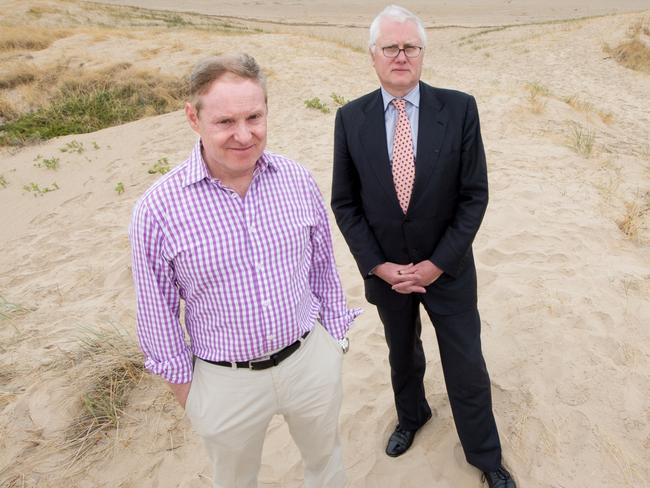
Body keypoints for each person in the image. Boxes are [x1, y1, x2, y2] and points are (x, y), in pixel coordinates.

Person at [130, 53, 359, 488]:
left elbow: (323, 266)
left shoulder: (296, 179)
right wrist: (190, 395)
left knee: (325, 462)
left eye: (254, 116)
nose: (243, 134)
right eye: (225, 122)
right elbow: (156, 313)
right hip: (223, 380)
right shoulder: (157, 210)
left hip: (309, 360)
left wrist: (333, 340)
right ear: (194, 119)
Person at [331, 5, 516, 487]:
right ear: (372, 56)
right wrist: (377, 265)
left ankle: (485, 456)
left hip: (448, 270)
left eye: (409, 47)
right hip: (388, 274)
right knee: (401, 352)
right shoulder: (349, 119)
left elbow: (475, 196)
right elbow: (345, 202)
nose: (400, 56)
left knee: (466, 362)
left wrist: (437, 263)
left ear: (422, 54)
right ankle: (412, 417)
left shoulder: (459, 108)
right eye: (390, 47)